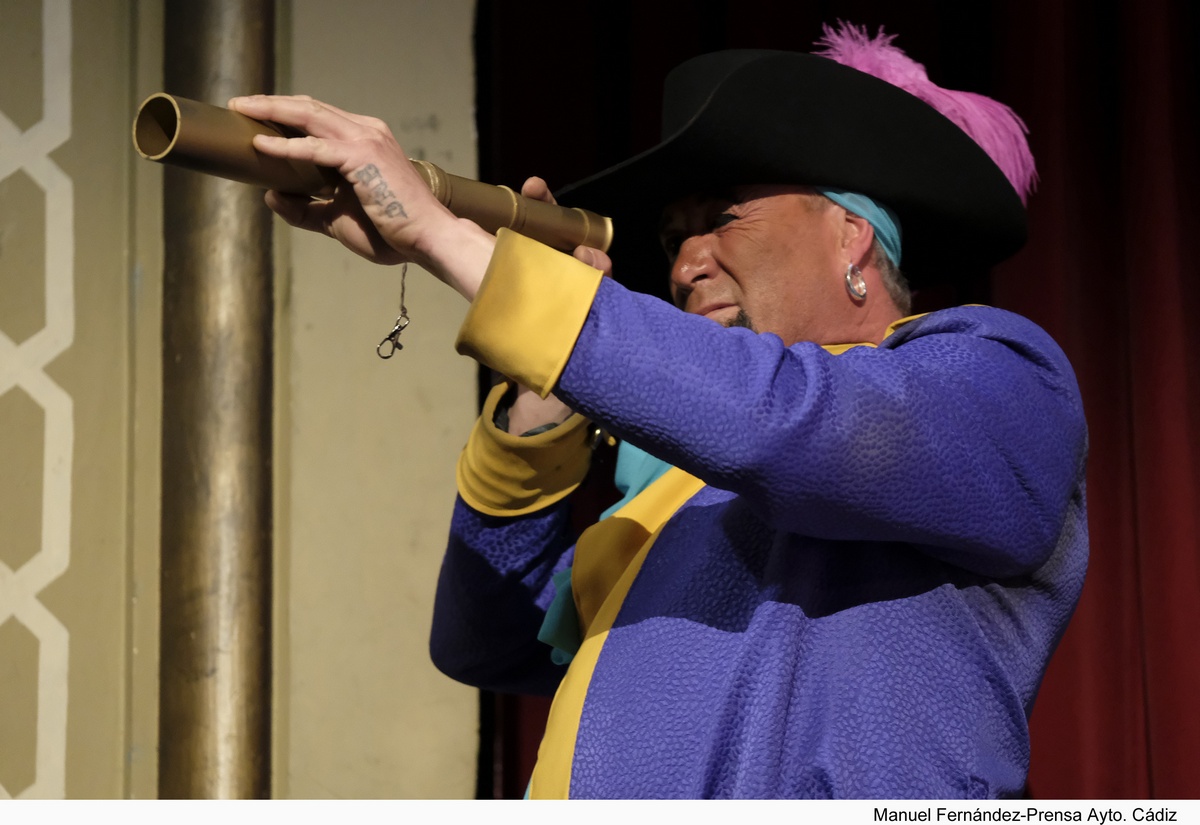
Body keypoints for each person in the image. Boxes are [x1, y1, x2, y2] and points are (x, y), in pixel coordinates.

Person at [230, 23, 1088, 799]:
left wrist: (448, 239)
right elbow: (485, 639)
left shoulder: (998, 379)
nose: (685, 262)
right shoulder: (673, 487)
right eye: (675, 234)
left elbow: (792, 424)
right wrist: (547, 384)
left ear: (850, 233)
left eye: (723, 219)